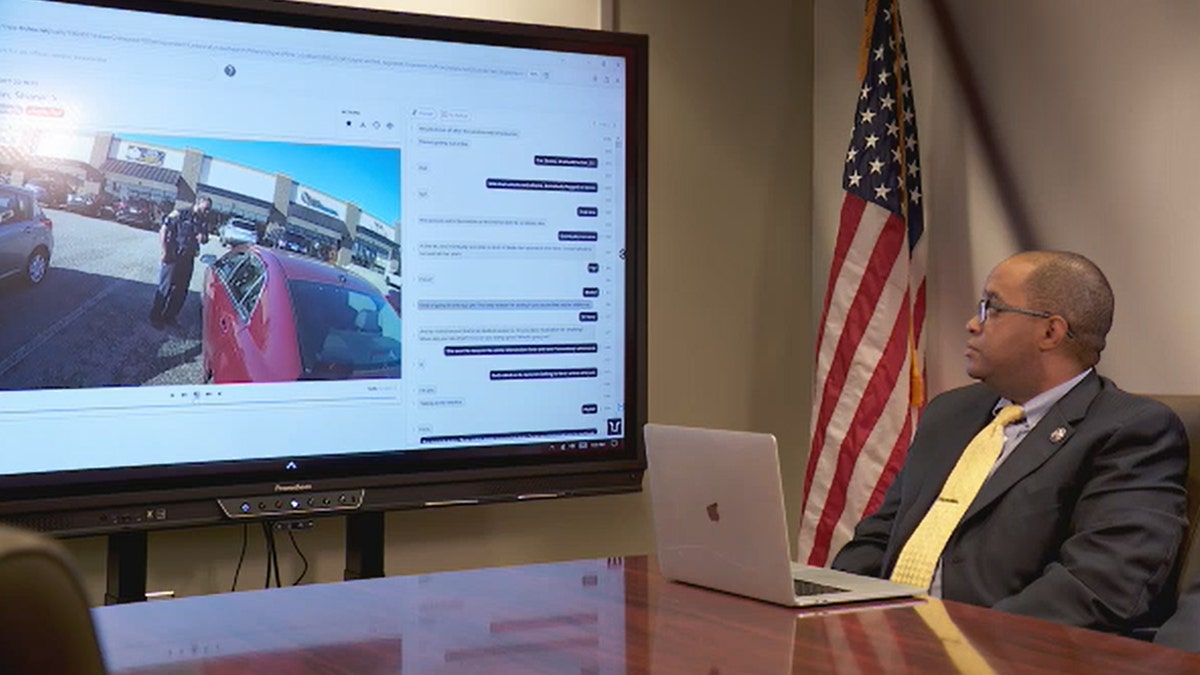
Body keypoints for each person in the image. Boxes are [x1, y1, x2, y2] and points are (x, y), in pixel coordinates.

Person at [831, 250, 1189, 634]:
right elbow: (878, 540)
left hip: (1001, 651)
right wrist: (830, 609)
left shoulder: (1130, 432)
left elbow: (1098, 587)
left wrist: (957, 641)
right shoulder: (950, 413)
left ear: (1050, 332)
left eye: (992, 309)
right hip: (885, 642)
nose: (972, 323)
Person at [148, 196, 211, 329]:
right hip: (173, 256)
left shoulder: (203, 220)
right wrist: (165, 251)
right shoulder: (181, 213)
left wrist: (203, 238)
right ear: (198, 203)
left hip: (188, 259)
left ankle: (169, 317)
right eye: (205, 209)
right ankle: (156, 317)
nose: (207, 212)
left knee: (181, 291)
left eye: (209, 210)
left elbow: (205, 238)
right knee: (165, 288)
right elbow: (164, 230)